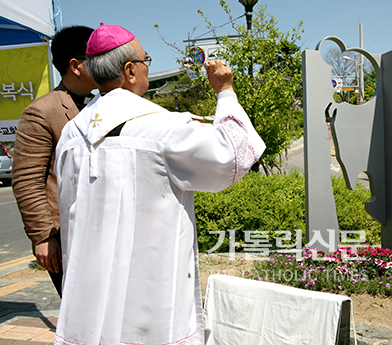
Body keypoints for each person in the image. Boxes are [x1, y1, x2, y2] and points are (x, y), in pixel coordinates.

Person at [54, 24, 265, 345]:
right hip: (149, 285)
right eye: (145, 60)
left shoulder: (71, 134)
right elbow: (230, 157)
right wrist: (225, 91)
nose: (147, 66)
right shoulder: (162, 127)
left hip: (90, 288)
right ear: (130, 71)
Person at [12, 26, 96, 296]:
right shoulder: (42, 111)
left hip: (103, 227)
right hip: (66, 234)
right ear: (76, 65)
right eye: (97, 55)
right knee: (82, 312)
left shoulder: (100, 104)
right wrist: (44, 236)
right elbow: (27, 180)